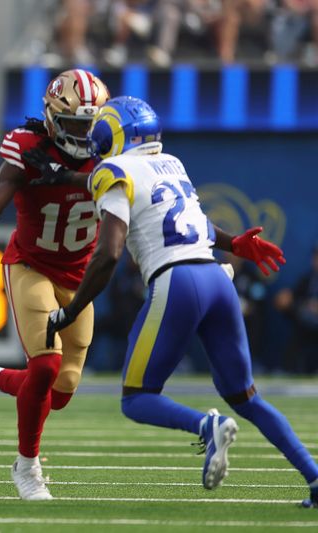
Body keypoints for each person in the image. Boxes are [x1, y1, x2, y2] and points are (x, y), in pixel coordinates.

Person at [44, 95, 318, 508]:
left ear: (115, 133)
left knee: (137, 398)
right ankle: (315, 478)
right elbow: (199, 224)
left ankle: (206, 425)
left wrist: (73, 308)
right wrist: (235, 244)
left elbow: (109, 253)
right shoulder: (170, 163)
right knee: (247, 398)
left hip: (177, 281)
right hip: (215, 278)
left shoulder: (113, 170)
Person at [0, 69, 110, 500]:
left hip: (78, 279)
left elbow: (110, 187)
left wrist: (63, 174)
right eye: (74, 124)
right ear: (54, 118)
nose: (82, 133)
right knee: (44, 367)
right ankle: (27, 468)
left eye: (88, 125)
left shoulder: (110, 158)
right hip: (32, 265)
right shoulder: (26, 148)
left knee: (58, 393)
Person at [273, 244, 318, 374]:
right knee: (298, 323)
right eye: (316, 257)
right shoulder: (307, 280)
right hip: (306, 324)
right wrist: (287, 300)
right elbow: (293, 299)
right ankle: (289, 369)